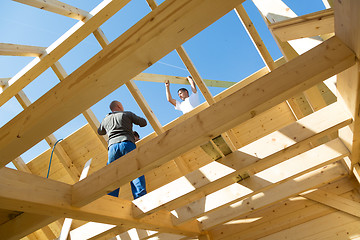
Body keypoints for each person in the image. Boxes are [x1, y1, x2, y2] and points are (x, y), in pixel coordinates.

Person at [98, 100, 147, 199]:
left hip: (112, 148)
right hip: (127, 143)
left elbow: (100, 131)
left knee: (113, 174)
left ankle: (111, 199)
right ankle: (140, 197)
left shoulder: (105, 119)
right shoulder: (126, 114)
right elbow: (143, 123)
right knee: (134, 170)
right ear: (119, 106)